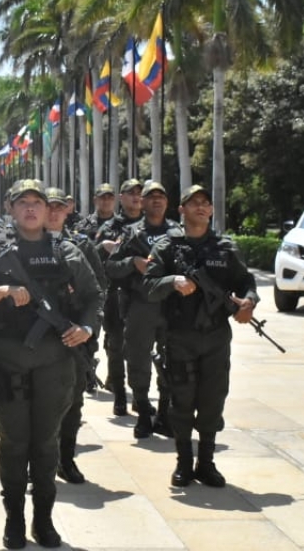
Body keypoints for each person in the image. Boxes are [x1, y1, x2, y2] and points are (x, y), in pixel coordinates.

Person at [0, 179, 102, 549]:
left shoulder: (67, 251)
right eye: (22, 202)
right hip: (8, 361)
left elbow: (93, 297)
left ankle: (43, 519)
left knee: (45, 444)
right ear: (10, 208)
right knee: (13, 443)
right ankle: (14, 520)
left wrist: (87, 328)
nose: (30, 208)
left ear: (48, 210)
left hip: (56, 362)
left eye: (37, 202)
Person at [142, 185, 259, 488]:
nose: (201, 208)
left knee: (212, 399)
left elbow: (246, 281)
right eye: (194, 203)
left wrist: (249, 302)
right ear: (181, 210)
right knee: (181, 400)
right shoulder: (167, 247)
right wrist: (172, 281)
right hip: (179, 336)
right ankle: (183, 462)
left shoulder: (224, 247)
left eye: (206, 203)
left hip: (216, 336)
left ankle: (206, 462)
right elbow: (148, 287)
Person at [107, 181, 180, 438]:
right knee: (138, 359)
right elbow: (111, 267)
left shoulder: (178, 232)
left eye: (161, 196)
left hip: (172, 306)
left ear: (167, 202)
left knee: (171, 360)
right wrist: (132, 262)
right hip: (141, 304)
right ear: (143, 202)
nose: (156, 201)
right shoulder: (130, 233)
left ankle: (163, 412)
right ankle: (143, 409)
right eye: (151, 197)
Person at [44, 187, 107, 485]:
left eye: (59, 207)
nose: (54, 212)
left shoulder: (82, 245)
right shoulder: (24, 244)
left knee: (73, 401)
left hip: (75, 338)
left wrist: (88, 329)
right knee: (38, 403)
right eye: (49, 206)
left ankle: (65, 459)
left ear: (67, 209)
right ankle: (39, 463)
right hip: (38, 339)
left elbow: (98, 292)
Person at [94, 179, 146, 416]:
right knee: (115, 346)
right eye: (130, 193)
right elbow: (94, 257)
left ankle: (139, 396)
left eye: (139, 193)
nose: (136, 197)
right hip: (115, 293)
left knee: (141, 348)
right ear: (121, 198)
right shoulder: (110, 227)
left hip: (143, 295)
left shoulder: (151, 225)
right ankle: (119, 395)